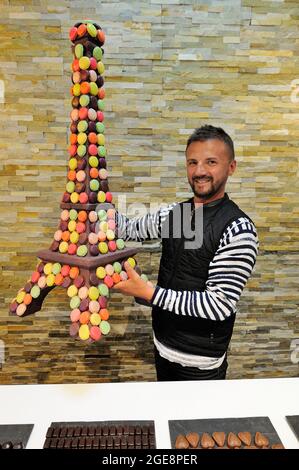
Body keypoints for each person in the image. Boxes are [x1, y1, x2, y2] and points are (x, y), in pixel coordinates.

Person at [113, 125, 259, 381]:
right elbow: (129, 229)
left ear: (231, 167)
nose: (200, 171)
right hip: (162, 347)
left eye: (210, 162)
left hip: (200, 367)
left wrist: (149, 293)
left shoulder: (238, 229)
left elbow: (218, 305)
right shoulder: (175, 214)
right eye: (193, 162)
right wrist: (93, 203)